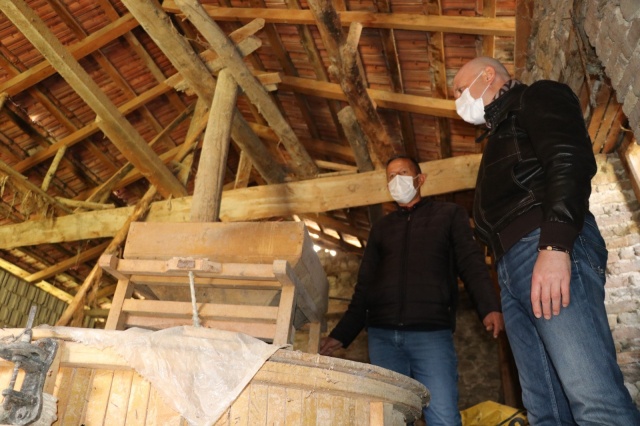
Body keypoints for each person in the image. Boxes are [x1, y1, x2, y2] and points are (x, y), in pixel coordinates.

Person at [453, 56, 640, 425]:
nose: (458, 101)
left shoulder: (536, 96)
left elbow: (569, 158)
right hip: (511, 267)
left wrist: (555, 245)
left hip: (541, 244)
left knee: (595, 402)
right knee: (546, 414)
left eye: (460, 90)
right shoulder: (498, 134)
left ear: (488, 75)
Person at [318, 155, 504, 426]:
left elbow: (470, 262)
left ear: (420, 179)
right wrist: (341, 335)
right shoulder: (381, 229)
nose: (397, 180)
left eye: (403, 173)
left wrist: (489, 306)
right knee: (390, 419)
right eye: (391, 176)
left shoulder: (448, 215)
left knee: (442, 417)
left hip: (431, 334)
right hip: (382, 337)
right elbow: (364, 287)